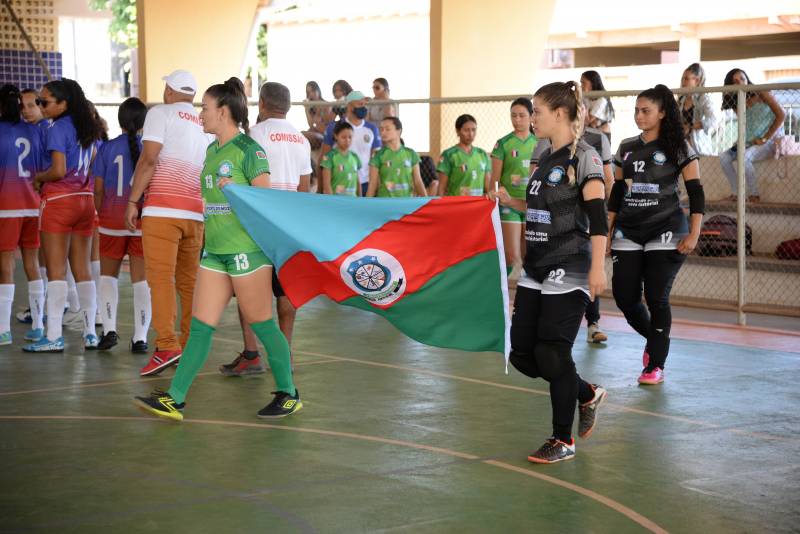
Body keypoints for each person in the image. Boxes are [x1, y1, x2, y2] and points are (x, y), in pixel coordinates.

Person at [134, 77, 300, 421]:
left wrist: (237, 194)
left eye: (205, 108)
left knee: (262, 323)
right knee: (201, 324)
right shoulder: (211, 151)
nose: (200, 115)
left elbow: (265, 204)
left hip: (247, 253)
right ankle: (175, 398)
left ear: (223, 112)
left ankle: (289, 393)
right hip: (215, 252)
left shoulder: (249, 150)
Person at [490, 81, 608, 464]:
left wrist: (596, 269)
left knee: (554, 352)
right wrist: (513, 202)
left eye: (537, 110)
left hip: (570, 264)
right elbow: (542, 207)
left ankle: (563, 439)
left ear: (560, 114)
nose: (532, 117)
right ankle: (585, 392)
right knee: (522, 353)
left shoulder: (585, 158)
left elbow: (597, 218)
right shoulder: (543, 154)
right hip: (536, 267)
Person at [608, 85, 705, 385]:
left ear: (662, 113)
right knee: (624, 296)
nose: (639, 115)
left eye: (646, 110)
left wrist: (694, 233)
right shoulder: (626, 147)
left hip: (667, 229)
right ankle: (656, 338)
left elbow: (696, 193)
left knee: (656, 296)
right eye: (636, 110)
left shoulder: (679, 147)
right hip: (629, 228)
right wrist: (606, 228)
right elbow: (616, 193)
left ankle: (655, 366)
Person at [124, 70, 211, 376]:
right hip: (195, 214)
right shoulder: (205, 122)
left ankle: (166, 346)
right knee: (188, 284)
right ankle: (187, 349)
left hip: (162, 210)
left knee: (160, 280)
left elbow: (149, 159)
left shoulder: (160, 113)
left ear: (171, 91)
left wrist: (134, 200)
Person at [221, 81, 311, 376]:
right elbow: (303, 189)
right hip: (288, 227)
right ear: (288, 106)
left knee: (249, 290)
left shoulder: (253, 137)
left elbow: (244, 183)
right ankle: (284, 354)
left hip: (257, 226)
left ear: (261, 103)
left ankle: (251, 354)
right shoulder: (302, 140)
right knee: (286, 293)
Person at [22, 79, 103, 352]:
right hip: (85, 201)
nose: (41, 107)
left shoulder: (59, 128)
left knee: (56, 271)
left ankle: (54, 335)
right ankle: (91, 332)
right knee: (82, 269)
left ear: (64, 103)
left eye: (45, 102)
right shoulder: (89, 127)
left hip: (58, 201)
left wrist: (38, 179)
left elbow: (57, 170)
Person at [531, 126, 613, 343]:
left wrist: (599, 265)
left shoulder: (591, 146)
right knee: (529, 341)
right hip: (542, 249)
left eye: (537, 111)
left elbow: (607, 185)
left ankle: (593, 322)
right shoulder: (544, 149)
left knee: (586, 276)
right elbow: (536, 194)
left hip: (574, 243)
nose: (532, 119)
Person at [92, 97, 151, 353]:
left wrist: (102, 211)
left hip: (110, 220)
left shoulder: (106, 148)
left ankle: (109, 331)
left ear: (120, 120)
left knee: (108, 277)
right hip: (140, 222)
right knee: (141, 282)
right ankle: (140, 338)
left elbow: (98, 189)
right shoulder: (150, 149)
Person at [0, 85, 45, 345]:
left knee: (6, 266)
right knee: (32, 264)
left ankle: (4, 329)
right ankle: (38, 325)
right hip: (32, 205)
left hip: (6, 206)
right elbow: (41, 170)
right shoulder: (35, 132)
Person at [719, 68, 785, 202]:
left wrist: (765, 138)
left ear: (747, 79)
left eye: (742, 79)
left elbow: (781, 115)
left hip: (768, 142)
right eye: (735, 81)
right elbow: (748, 125)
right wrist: (739, 142)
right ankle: (736, 193)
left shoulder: (761, 92)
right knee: (724, 157)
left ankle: (754, 194)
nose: (740, 83)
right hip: (748, 143)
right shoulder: (736, 102)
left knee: (744, 157)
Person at [490, 98, 538, 274]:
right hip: (508, 205)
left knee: (529, 256)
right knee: (512, 256)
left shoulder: (540, 143)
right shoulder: (503, 143)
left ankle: (525, 295)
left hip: (530, 204)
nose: (517, 120)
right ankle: (506, 296)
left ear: (532, 116)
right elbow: (494, 180)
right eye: (513, 116)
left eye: (521, 115)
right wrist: (495, 194)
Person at [321, 91, 381, 196]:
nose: (363, 107)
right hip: (338, 184)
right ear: (349, 106)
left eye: (364, 104)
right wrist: (320, 187)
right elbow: (324, 157)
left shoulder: (372, 129)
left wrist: (375, 185)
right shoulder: (335, 127)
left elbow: (375, 160)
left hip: (365, 183)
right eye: (360, 104)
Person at [366, 117, 426, 197]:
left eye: (387, 129)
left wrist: (427, 203)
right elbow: (372, 184)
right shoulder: (378, 155)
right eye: (381, 129)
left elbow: (418, 181)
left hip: (406, 204)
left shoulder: (411, 154)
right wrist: (367, 206)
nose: (383, 132)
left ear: (399, 131)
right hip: (385, 203)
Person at [436, 114, 490, 197]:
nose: (471, 134)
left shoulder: (482, 154)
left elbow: (488, 187)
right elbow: (441, 188)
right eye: (466, 130)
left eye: (473, 130)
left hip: (478, 206)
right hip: (457, 206)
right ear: (458, 131)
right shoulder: (449, 155)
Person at [678, 63, 717, 156]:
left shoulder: (704, 99)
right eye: (683, 78)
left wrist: (690, 126)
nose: (683, 82)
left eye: (687, 79)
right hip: (681, 146)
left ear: (697, 80)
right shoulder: (681, 100)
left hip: (698, 147)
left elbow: (713, 120)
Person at [321, 121, 361, 196]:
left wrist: (360, 200)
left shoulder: (355, 157)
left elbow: (357, 181)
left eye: (350, 137)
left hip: (353, 202)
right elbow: (326, 185)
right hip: (336, 202)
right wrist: (333, 202)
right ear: (336, 136)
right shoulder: (329, 157)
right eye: (343, 137)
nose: (347, 140)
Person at [581, 70, 614, 140]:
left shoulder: (602, 99)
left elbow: (587, 121)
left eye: (583, 83)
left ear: (592, 83)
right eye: (581, 83)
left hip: (602, 134)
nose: (581, 86)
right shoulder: (585, 98)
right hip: (590, 132)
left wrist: (585, 113)